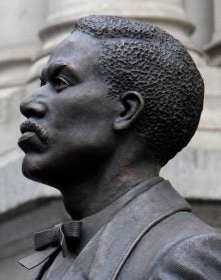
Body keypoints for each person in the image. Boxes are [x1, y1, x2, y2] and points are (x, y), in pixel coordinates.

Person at [17, 15, 221, 279]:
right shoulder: (54, 259)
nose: (29, 103)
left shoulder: (185, 254)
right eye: (41, 84)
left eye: (60, 83)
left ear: (126, 110)